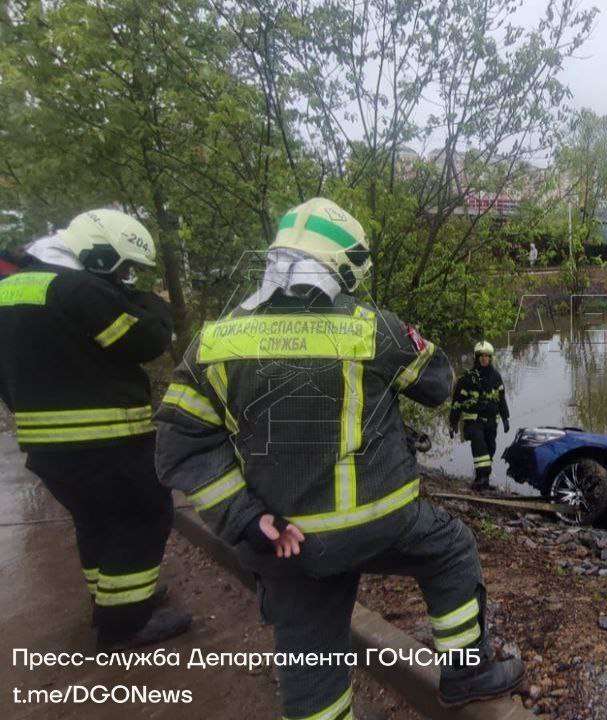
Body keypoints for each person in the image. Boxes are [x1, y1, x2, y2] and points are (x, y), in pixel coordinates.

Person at [153, 198, 523, 717]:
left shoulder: (212, 344)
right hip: (384, 523)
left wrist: (246, 517)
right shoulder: (372, 328)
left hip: (286, 543)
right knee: (451, 550)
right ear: (343, 266)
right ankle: (466, 672)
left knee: (310, 659)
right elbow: (439, 383)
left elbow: (178, 445)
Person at [0, 209, 190, 649]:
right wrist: (154, 302)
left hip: (46, 447)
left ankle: (111, 601)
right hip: (106, 442)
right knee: (142, 516)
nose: (126, 277)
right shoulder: (79, 289)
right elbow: (145, 341)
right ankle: (125, 626)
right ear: (99, 255)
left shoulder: (10, 290)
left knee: (94, 520)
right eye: (124, 269)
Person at [448, 341, 510, 492]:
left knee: (490, 449)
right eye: (481, 356)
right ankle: (483, 478)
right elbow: (457, 402)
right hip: (473, 422)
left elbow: (501, 398)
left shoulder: (496, 377)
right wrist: (453, 422)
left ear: (491, 358)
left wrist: (505, 417)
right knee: (480, 447)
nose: (484, 359)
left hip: (491, 422)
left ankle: (482, 480)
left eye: (487, 356)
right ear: (476, 358)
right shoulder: (467, 379)